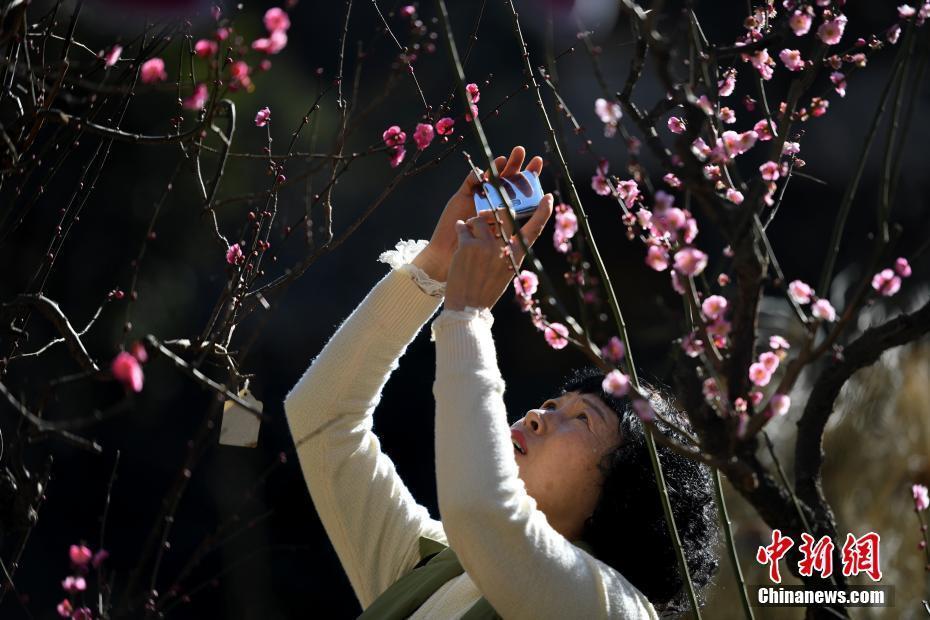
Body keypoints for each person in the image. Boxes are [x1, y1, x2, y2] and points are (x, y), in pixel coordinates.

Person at [284, 146, 720, 618]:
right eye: (553, 404)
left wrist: (467, 316)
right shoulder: (437, 569)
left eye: (581, 418)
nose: (538, 416)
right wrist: (434, 269)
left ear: (629, 496)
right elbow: (321, 417)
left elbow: (482, 511)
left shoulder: (611, 608)